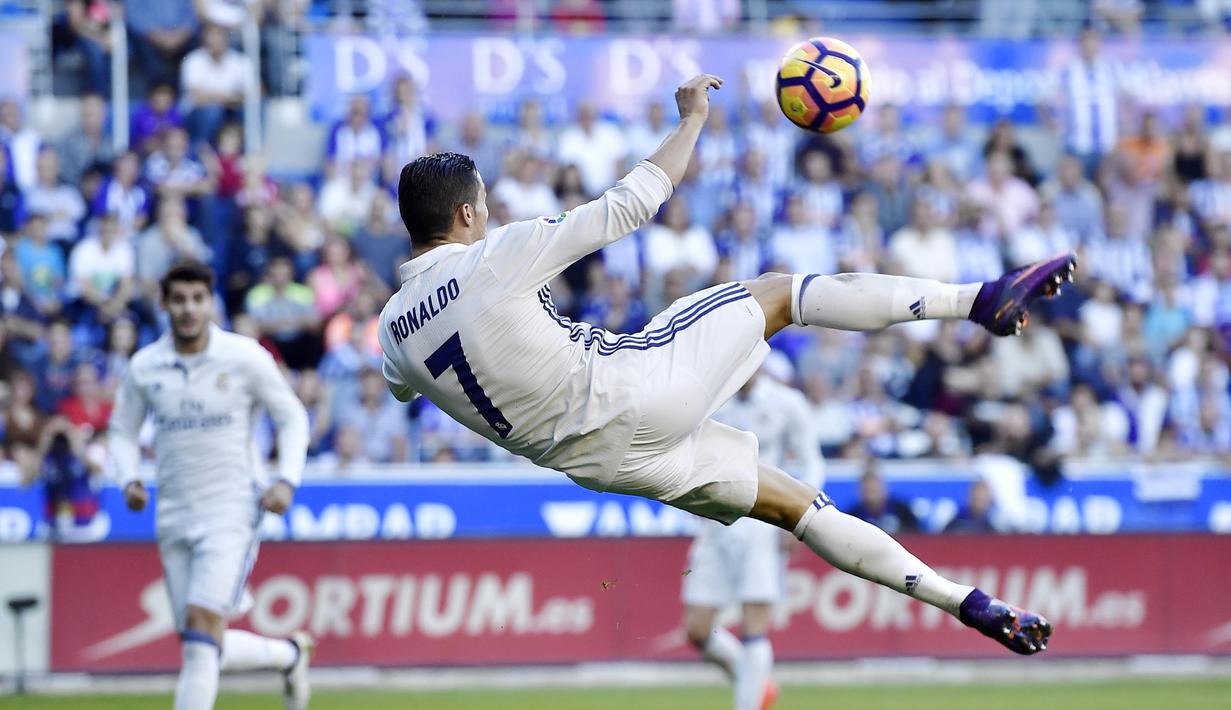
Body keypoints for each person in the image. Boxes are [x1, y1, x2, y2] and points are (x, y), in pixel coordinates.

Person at [380, 75, 1065, 657]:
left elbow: (405, 388)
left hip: (605, 466)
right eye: (486, 204)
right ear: (468, 213)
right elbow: (631, 204)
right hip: (630, 391)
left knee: (795, 506)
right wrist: (691, 120)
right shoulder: (494, 254)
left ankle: (964, 603)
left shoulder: (392, 334)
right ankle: (977, 299)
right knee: (777, 293)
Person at [108, 261, 314, 710]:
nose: (188, 309)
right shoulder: (146, 367)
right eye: (179, 299)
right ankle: (289, 655)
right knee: (198, 642)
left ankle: (289, 656)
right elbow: (121, 430)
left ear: (210, 302)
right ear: (164, 304)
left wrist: (286, 479)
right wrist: (128, 478)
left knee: (201, 630)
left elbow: (292, 416)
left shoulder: (243, 356)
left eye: (197, 299)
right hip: (174, 513)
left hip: (233, 510)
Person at [682, 366, 823, 710]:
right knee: (697, 630)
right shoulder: (712, 403)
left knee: (754, 625)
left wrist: (799, 518)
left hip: (763, 521)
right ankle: (756, 684)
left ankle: (749, 701)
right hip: (717, 523)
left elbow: (812, 462)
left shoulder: (786, 402)